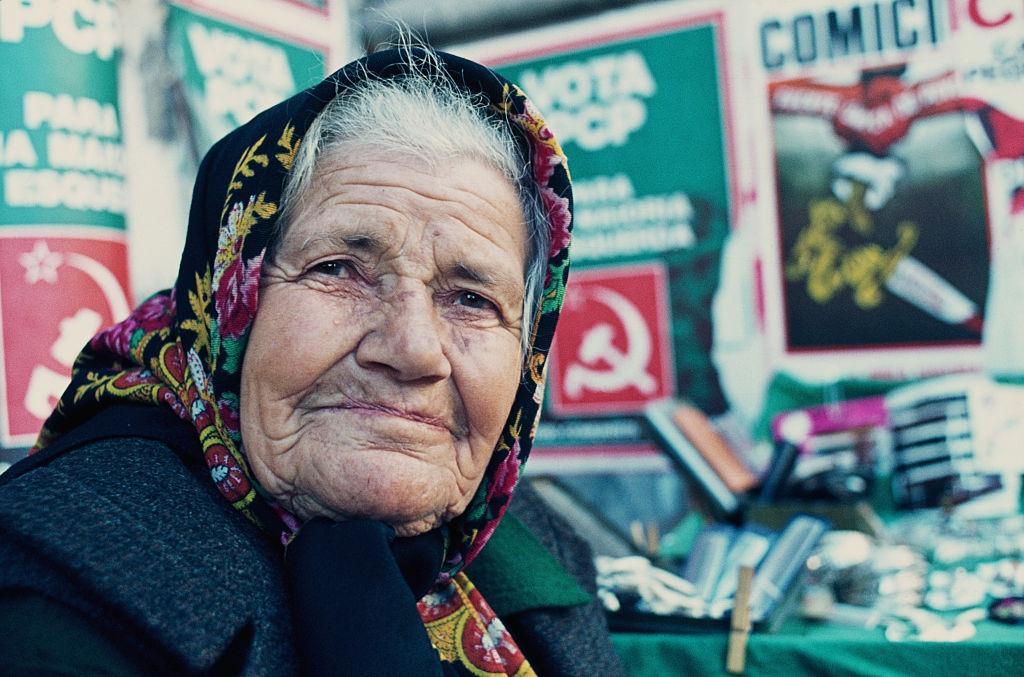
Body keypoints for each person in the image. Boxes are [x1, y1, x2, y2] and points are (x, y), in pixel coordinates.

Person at [0, 47, 624, 675]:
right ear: (230, 299)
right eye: (340, 269)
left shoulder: (543, 545)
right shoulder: (58, 582)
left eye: (472, 299)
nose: (411, 350)